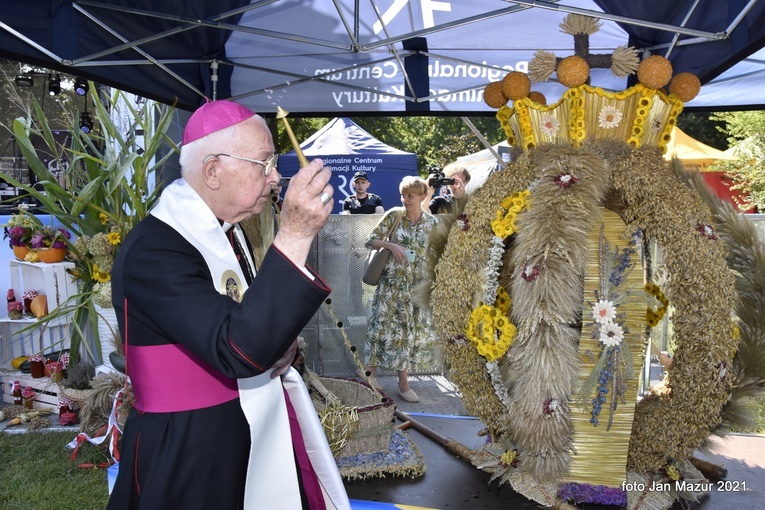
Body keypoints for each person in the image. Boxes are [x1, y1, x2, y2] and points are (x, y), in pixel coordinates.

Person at [107, 100, 350, 510]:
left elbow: (250, 323)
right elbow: (236, 347)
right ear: (213, 170)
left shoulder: (228, 232)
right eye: (263, 163)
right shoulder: (154, 250)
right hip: (188, 446)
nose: (275, 177)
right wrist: (294, 234)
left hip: (245, 428)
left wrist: (283, 346)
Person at [362, 176, 438, 403]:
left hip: (414, 288)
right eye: (403, 195)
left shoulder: (432, 224)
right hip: (390, 285)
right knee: (379, 329)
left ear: (422, 197)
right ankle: (369, 377)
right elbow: (369, 240)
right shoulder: (394, 215)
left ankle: (403, 383)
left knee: (405, 335)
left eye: (410, 196)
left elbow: (436, 253)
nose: (405, 200)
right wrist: (390, 244)